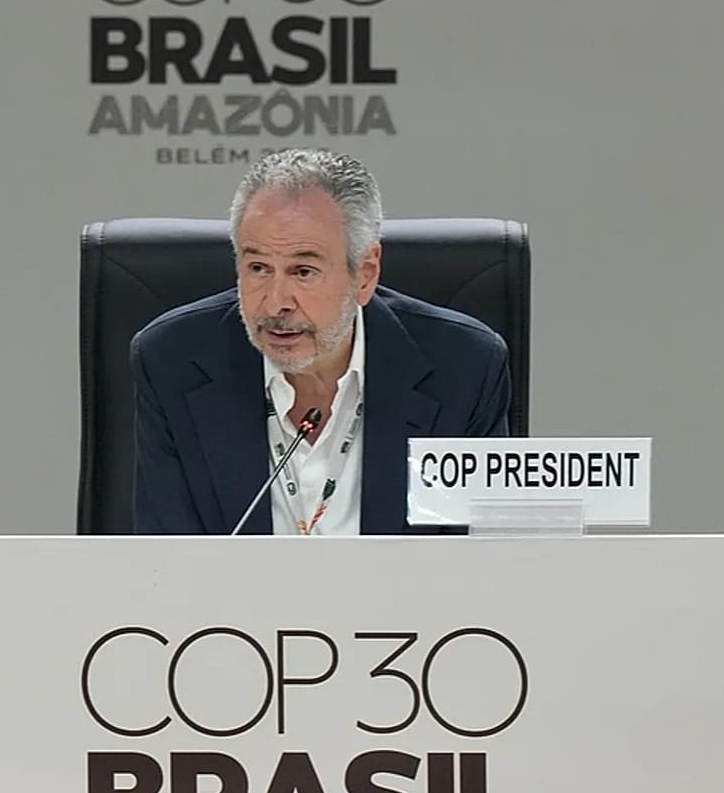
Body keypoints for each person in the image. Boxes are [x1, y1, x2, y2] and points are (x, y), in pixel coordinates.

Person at [130, 148, 511, 535]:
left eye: (304, 271)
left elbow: (482, 567)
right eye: (258, 268)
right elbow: (166, 564)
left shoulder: (464, 369)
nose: (276, 303)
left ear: (364, 274)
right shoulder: (172, 363)